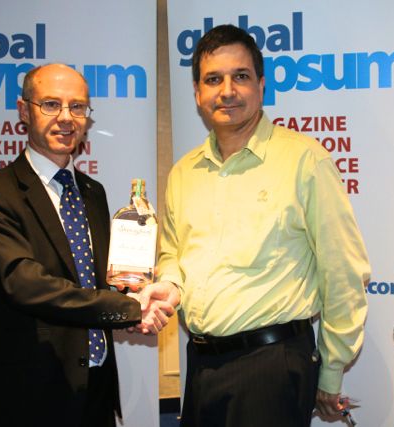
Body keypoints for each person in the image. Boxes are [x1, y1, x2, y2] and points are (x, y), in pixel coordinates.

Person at [155, 25, 370, 426]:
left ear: (261, 85)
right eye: (213, 80)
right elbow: (171, 254)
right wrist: (168, 284)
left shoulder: (305, 160)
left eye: (240, 76)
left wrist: (330, 372)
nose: (227, 91)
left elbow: (343, 272)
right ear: (198, 93)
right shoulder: (183, 172)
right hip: (201, 365)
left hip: (271, 367)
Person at [0, 63, 174, 427]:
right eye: (51, 104)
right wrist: (128, 308)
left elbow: (96, 282)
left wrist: (136, 292)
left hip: (96, 393)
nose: (66, 117)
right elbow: (24, 284)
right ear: (24, 111)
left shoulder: (93, 192)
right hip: (27, 398)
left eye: (77, 107)